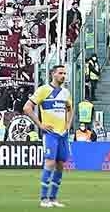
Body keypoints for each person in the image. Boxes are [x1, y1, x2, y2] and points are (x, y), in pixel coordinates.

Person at [24, 64, 72, 208]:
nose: (63, 76)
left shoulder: (66, 93)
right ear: (53, 74)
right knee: (50, 162)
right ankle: (44, 198)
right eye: (60, 73)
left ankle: (53, 198)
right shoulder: (43, 90)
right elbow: (27, 107)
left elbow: (70, 109)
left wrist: (68, 125)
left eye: (64, 73)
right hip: (51, 133)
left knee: (60, 165)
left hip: (62, 134)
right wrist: (40, 124)